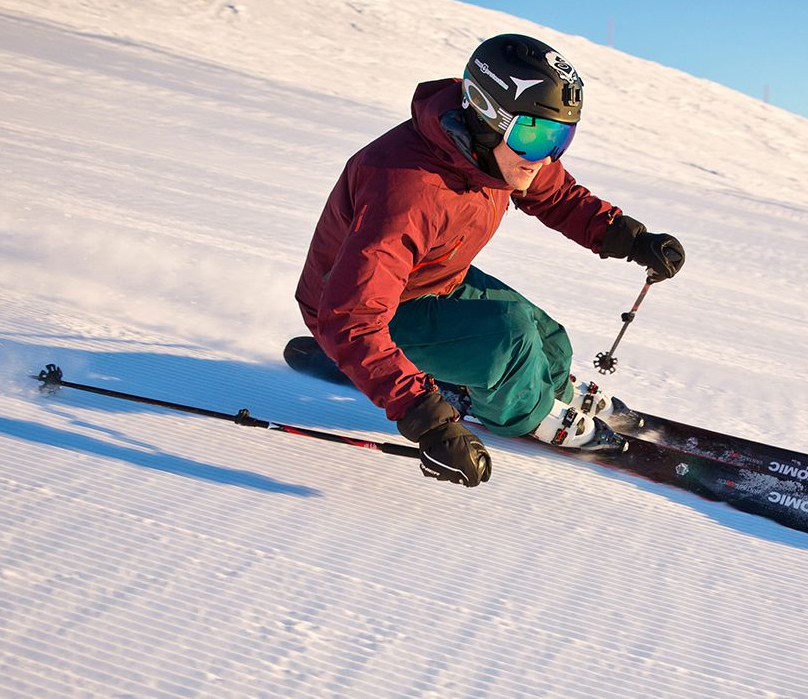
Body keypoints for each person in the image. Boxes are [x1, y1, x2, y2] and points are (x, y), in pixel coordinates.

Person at [294, 33, 685, 488]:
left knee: (547, 338)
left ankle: (551, 391)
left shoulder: (496, 154)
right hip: (360, 308)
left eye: (559, 136)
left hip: (432, 279)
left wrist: (630, 239)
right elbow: (352, 318)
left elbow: (557, 195)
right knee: (511, 341)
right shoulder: (406, 192)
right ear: (484, 112)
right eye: (533, 133)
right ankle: (528, 413)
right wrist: (429, 421)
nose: (545, 156)